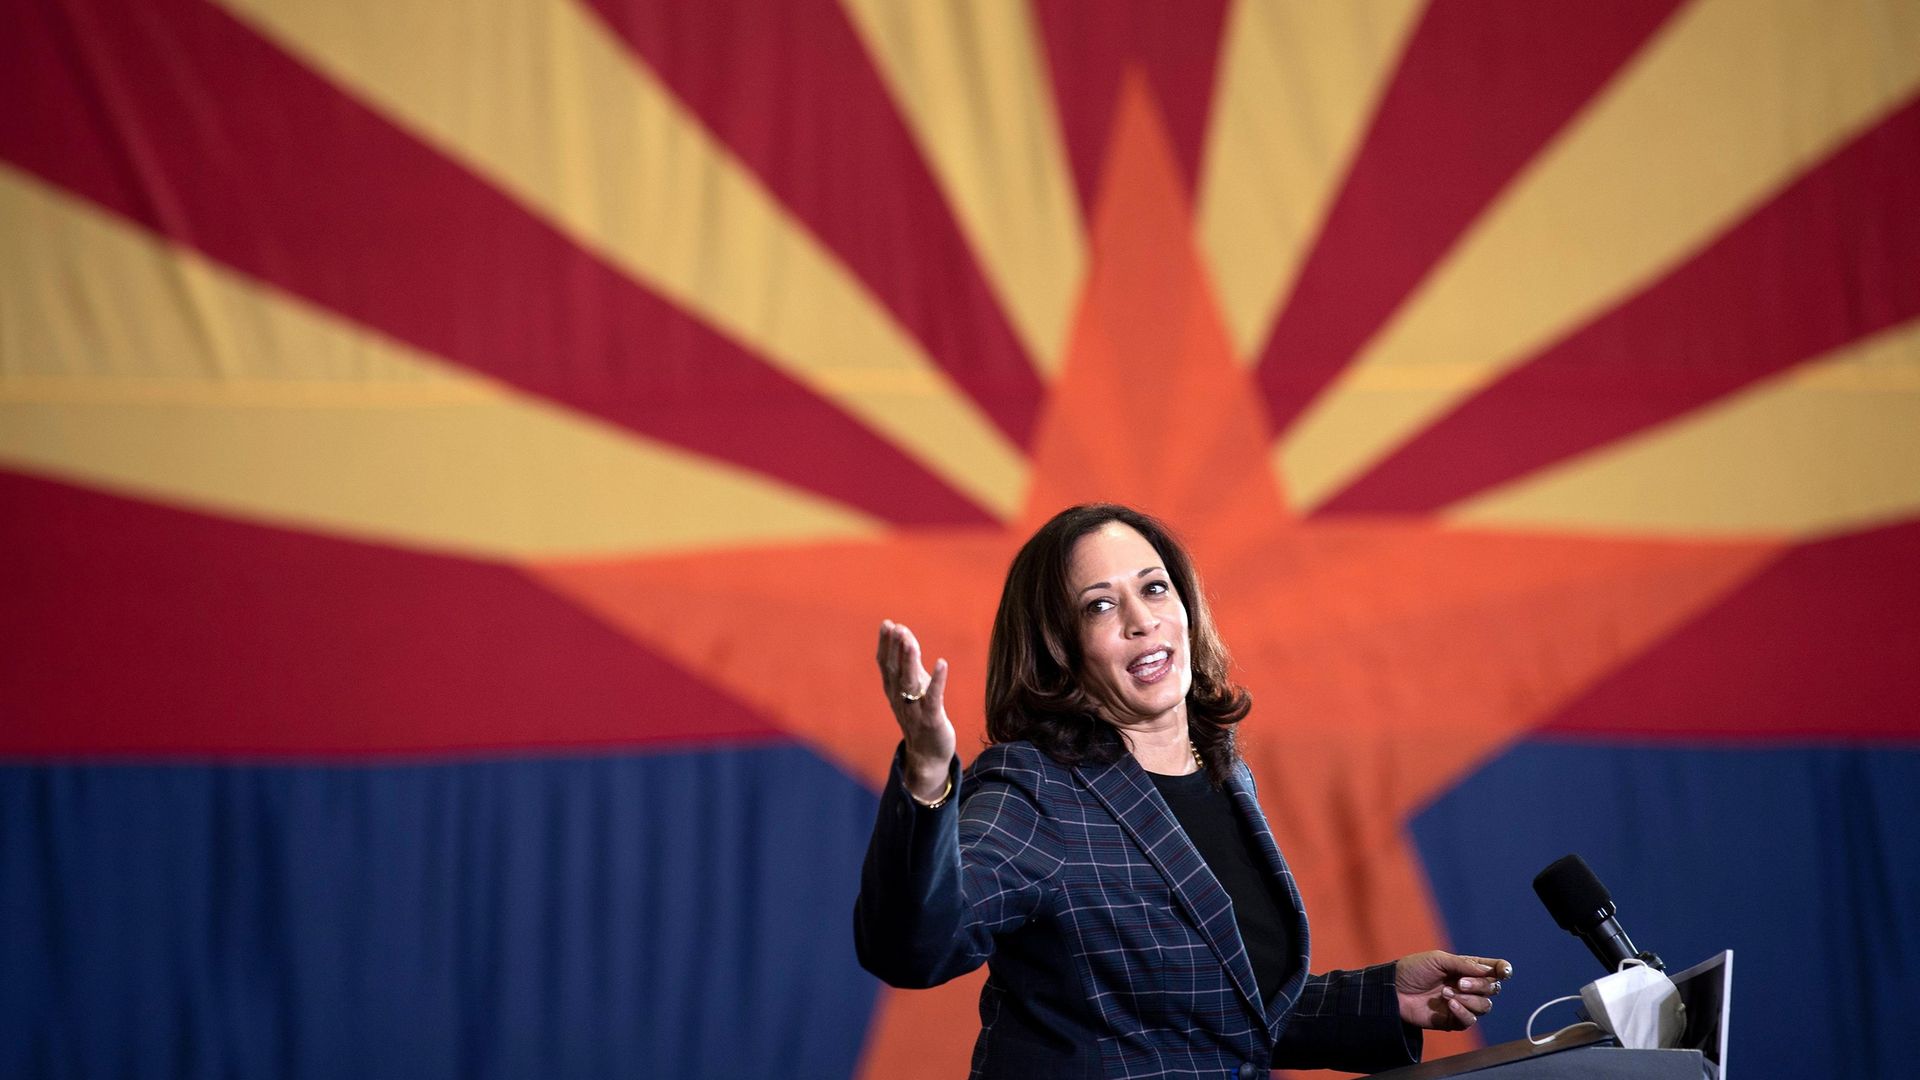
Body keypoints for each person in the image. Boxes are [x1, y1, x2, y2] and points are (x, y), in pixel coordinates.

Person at [854, 503, 1512, 1078]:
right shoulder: (1036, 790)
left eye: (1155, 588)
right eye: (1101, 605)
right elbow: (916, 949)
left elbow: (1211, 1011)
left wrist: (1382, 998)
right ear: (1060, 650)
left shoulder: (1223, 772)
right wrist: (927, 772)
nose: (1143, 620)